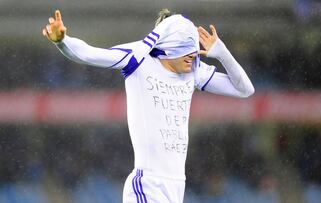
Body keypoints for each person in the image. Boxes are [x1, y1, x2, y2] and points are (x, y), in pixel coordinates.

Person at [42, 9, 254, 203]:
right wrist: (62, 41)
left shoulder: (194, 71)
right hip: (148, 184)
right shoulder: (139, 61)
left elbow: (245, 89)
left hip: (177, 186)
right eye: (184, 45)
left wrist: (222, 53)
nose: (193, 54)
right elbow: (89, 54)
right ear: (168, 43)